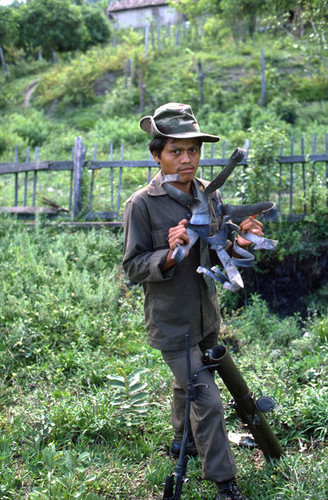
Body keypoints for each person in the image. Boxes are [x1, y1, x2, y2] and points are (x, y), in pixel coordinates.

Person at [123, 103, 264, 500]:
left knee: (188, 385)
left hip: (206, 316)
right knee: (207, 398)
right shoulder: (142, 204)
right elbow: (133, 266)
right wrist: (168, 254)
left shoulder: (207, 193)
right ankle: (224, 482)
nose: (187, 160)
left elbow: (219, 244)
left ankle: (181, 441)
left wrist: (241, 240)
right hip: (172, 322)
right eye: (175, 151)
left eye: (193, 151)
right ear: (157, 155)